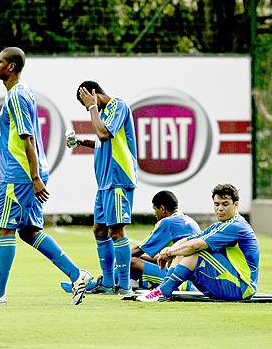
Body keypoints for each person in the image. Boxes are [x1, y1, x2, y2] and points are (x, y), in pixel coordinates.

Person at [0, 47, 92, 306]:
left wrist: (34, 177)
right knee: (29, 231)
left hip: (20, 176)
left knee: (4, 228)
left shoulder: (16, 96)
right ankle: (77, 275)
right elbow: (14, 136)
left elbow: (28, 138)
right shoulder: (21, 93)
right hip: (22, 171)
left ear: (10, 67)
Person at [137, 183, 259, 302]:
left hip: (241, 287)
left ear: (235, 205)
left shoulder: (236, 226)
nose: (220, 208)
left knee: (194, 251)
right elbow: (188, 240)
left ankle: (163, 291)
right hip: (232, 282)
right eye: (217, 204)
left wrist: (170, 252)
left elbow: (195, 246)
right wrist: (170, 251)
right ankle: (162, 289)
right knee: (185, 249)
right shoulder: (220, 225)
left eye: (225, 204)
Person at [70, 80, 138, 295]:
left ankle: (124, 286)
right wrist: (81, 142)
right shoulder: (105, 114)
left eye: (87, 102)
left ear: (94, 94)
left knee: (116, 230)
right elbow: (102, 141)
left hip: (118, 179)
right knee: (99, 230)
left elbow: (104, 134)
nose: (90, 108)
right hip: (105, 183)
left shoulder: (118, 105)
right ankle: (108, 282)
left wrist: (91, 108)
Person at [60, 190, 200, 292]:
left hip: (179, 279)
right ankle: (112, 283)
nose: (154, 214)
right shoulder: (188, 220)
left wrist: (118, 262)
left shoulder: (168, 222)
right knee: (132, 263)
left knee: (131, 262)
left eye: (155, 209)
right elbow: (160, 258)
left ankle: (96, 284)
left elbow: (138, 250)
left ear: (162, 209)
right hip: (191, 276)